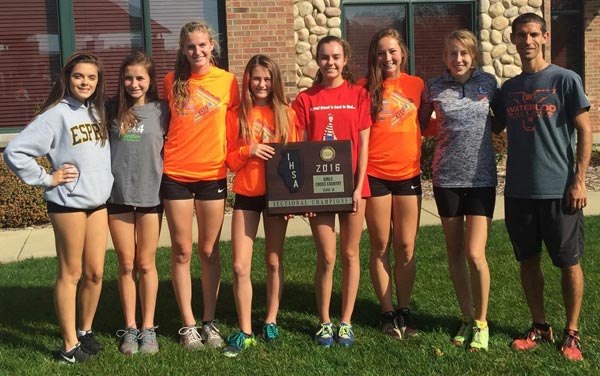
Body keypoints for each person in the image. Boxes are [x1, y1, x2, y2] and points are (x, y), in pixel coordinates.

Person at [492, 13, 591, 362]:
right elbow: (494, 126)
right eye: (521, 35)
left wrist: (579, 180)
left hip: (559, 190)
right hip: (519, 191)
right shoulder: (509, 89)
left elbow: (585, 130)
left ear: (545, 36)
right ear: (513, 39)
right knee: (528, 261)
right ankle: (540, 325)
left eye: (534, 33)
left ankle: (572, 331)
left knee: (568, 262)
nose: (528, 40)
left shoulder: (566, 79)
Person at [3, 52, 112, 363]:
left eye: (91, 77)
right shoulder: (55, 114)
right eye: (79, 76)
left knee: (95, 272)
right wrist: (47, 178)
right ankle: (67, 347)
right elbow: (15, 151)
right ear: (67, 78)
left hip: (97, 203)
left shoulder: (96, 112)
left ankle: (84, 332)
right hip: (68, 204)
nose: (85, 82)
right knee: (71, 272)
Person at [161, 21, 239, 350]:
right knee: (181, 251)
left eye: (202, 45)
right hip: (176, 174)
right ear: (183, 49)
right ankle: (188, 325)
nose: (197, 51)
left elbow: (238, 124)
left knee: (209, 251)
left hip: (212, 175)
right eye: (191, 46)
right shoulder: (170, 81)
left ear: (212, 46)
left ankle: (209, 321)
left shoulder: (229, 82)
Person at [418, 29, 498, 351]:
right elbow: (420, 124)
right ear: (445, 58)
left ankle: (482, 321)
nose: (459, 59)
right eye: (453, 53)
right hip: (446, 179)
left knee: (475, 254)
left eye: (464, 53)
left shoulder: (489, 83)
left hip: (481, 180)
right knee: (454, 254)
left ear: (473, 55)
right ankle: (466, 317)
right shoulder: (434, 86)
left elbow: (503, 122)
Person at [292, 35, 371, 347]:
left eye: (336, 57)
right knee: (326, 256)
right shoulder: (305, 99)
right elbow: (299, 148)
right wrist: (305, 195)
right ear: (317, 59)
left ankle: (346, 321)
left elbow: (364, 145)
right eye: (324, 57)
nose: (330, 63)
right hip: (320, 189)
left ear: (345, 59)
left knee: (351, 254)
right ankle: (324, 321)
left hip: (353, 187)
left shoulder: (359, 95)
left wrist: (357, 186)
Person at [222, 54, 299, 357]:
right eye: (256, 78)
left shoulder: (286, 114)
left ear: (275, 80)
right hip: (247, 194)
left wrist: (293, 197)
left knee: (273, 261)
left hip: (278, 195)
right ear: (248, 81)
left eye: (267, 79)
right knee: (240, 265)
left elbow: (295, 161)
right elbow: (228, 160)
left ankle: (270, 320)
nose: (262, 84)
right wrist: (248, 150)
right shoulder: (236, 115)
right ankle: (245, 330)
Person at [360, 28, 423, 339]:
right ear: (374, 56)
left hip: (409, 175)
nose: (387, 57)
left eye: (392, 51)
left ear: (403, 53)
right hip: (375, 176)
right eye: (381, 52)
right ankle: (386, 312)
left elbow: (427, 122)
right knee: (381, 245)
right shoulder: (364, 88)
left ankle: (405, 308)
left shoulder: (417, 85)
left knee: (407, 246)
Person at [108, 51, 169, 355]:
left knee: (146, 264)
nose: (134, 83)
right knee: (126, 263)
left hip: (150, 195)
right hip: (117, 196)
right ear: (122, 79)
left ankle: (148, 327)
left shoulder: (162, 111)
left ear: (150, 80)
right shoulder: (110, 110)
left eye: (140, 78)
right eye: (129, 77)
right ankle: (130, 327)